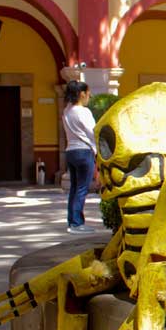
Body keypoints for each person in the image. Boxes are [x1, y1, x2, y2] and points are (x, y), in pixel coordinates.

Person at [62, 80, 97, 233]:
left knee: (74, 188)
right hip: (84, 152)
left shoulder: (67, 111)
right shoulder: (84, 112)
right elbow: (93, 132)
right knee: (82, 189)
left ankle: (72, 221)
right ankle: (77, 224)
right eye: (88, 93)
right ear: (81, 94)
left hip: (70, 151)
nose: (89, 96)